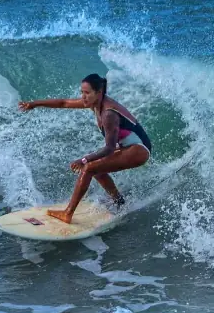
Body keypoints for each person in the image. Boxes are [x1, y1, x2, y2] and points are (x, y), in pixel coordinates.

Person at [18, 73, 152, 224]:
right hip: (129, 146)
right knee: (97, 168)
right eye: (82, 92)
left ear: (99, 92)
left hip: (139, 149)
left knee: (89, 167)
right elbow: (64, 103)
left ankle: (68, 213)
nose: (83, 96)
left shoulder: (108, 114)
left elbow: (109, 148)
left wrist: (84, 159)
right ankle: (119, 201)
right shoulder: (95, 103)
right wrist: (35, 104)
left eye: (87, 93)